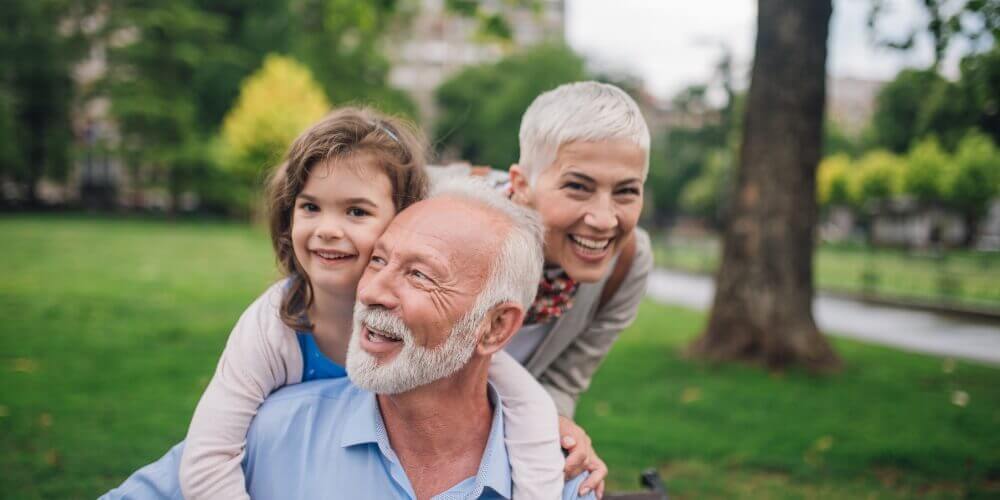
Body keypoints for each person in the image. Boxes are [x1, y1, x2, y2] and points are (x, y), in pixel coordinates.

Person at [102, 179, 593, 500]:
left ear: (495, 327)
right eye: (377, 260)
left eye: (420, 275)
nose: (373, 291)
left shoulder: (561, 479)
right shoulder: (270, 432)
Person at [176, 108, 563, 499]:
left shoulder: (451, 334)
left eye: (356, 211)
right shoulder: (275, 322)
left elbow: (531, 410)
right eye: (310, 207)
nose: (327, 230)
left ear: (407, 216)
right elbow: (209, 456)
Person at [499, 81, 655, 497]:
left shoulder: (627, 263)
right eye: (578, 187)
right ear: (521, 184)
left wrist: (557, 429)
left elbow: (564, 380)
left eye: (626, 191)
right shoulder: (455, 233)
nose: (605, 220)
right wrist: (533, 417)